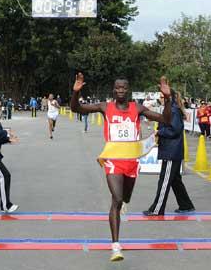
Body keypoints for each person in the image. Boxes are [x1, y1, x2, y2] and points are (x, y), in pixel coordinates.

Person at [70, 72, 171, 262]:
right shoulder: (104, 107)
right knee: (116, 199)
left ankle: (123, 203)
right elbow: (76, 108)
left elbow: (165, 119)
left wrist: (167, 98)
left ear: (128, 89)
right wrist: (75, 92)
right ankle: (115, 246)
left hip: (132, 161)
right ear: (113, 90)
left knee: (125, 198)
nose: (121, 90)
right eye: (117, 87)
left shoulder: (137, 108)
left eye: (124, 87)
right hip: (112, 159)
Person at [143, 90, 195, 216]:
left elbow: (175, 130)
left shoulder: (173, 110)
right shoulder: (171, 109)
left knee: (164, 180)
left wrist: (159, 132)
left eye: (162, 97)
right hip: (172, 149)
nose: (160, 99)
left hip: (171, 151)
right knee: (175, 180)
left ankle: (157, 209)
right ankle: (186, 205)